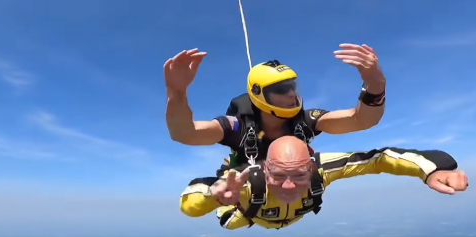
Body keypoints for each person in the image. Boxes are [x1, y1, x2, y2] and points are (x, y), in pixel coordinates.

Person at [165, 45, 387, 172]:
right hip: (247, 193)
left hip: (294, 191)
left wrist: (375, 84)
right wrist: (177, 94)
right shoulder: (238, 126)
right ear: (259, 94)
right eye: (280, 89)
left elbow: (362, 120)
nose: (291, 94)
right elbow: (184, 133)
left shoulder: (307, 120)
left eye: (292, 86)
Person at [180, 136, 468, 230]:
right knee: (227, 211)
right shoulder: (244, 181)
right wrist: (215, 197)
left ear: (311, 166)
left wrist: (431, 169)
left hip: (286, 214)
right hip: (243, 215)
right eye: (279, 176)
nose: (290, 186)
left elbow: (378, 158)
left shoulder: (323, 168)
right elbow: (189, 206)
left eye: (300, 175)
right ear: (265, 170)